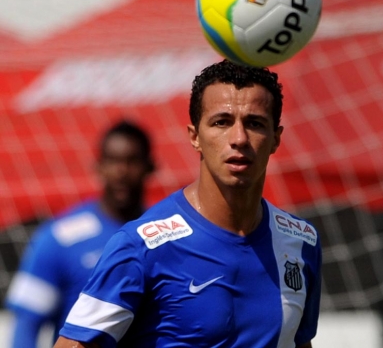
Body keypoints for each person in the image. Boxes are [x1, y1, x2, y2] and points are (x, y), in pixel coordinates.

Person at [53, 59, 322, 348]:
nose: (239, 138)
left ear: (276, 138)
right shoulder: (141, 246)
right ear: (195, 137)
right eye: (221, 122)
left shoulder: (300, 241)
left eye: (255, 123)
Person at [5, 120, 155, 348]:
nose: (122, 172)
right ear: (98, 166)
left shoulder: (165, 234)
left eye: (132, 161)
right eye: (112, 161)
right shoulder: (59, 238)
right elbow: (26, 324)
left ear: (149, 167)